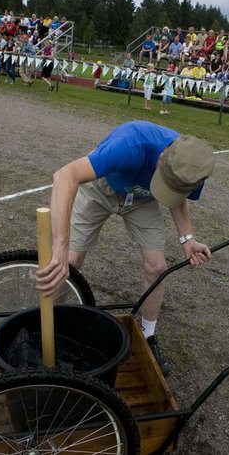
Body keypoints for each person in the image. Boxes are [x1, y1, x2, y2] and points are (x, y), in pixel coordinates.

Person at [34, 121, 215, 377]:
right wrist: (61, 245)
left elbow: (176, 196)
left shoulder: (192, 166)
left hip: (142, 199)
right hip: (102, 188)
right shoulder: (130, 143)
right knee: (71, 262)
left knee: (157, 267)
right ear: (162, 157)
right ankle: (48, 325)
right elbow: (65, 176)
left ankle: (148, 334)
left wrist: (187, 239)